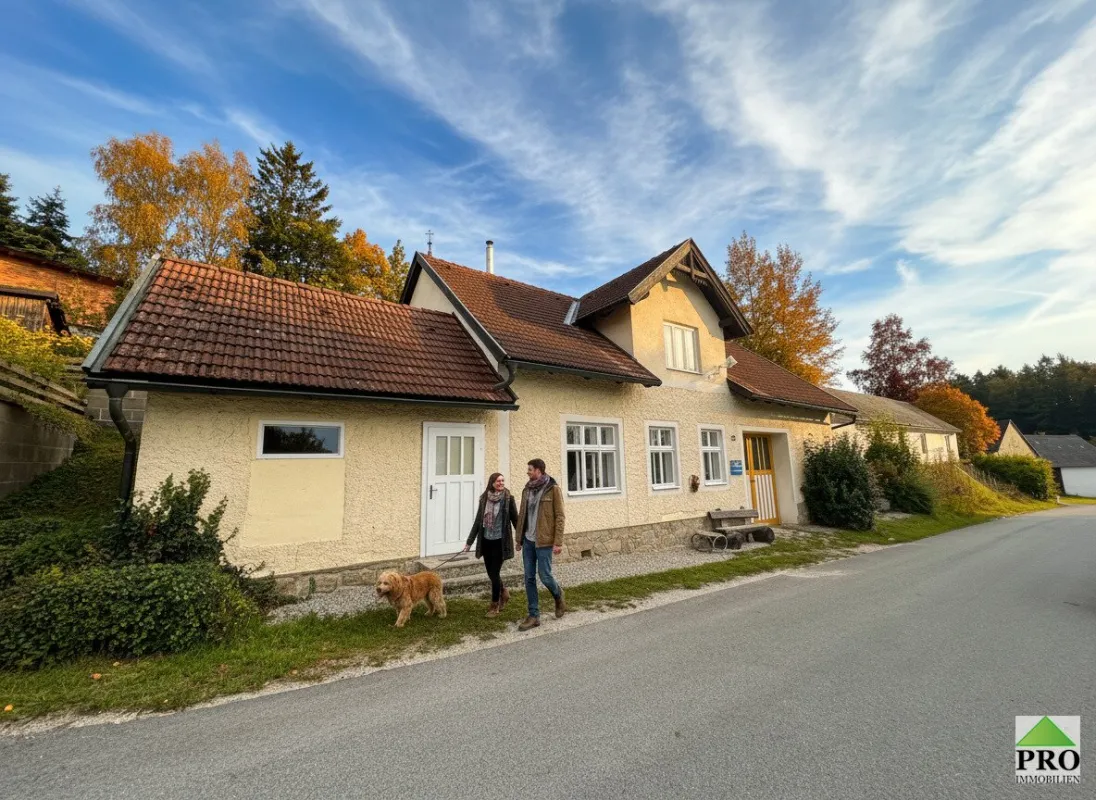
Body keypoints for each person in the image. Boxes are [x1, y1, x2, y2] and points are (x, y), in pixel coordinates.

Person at [514, 458, 565, 631]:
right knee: (529, 578)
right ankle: (534, 615)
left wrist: (558, 542)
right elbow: (522, 515)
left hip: (544, 541)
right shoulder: (527, 489)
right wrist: (519, 539)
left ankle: (558, 595)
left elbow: (560, 516)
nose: (527, 472)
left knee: (545, 576)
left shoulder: (553, 489)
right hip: (528, 541)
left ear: (539, 471)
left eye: (530, 469)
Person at [462, 472, 518, 617]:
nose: (501, 483)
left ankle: (494, 606)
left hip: (500, 542)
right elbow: (478, 522)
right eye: (498, 481)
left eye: (503, 481)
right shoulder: (484, 498)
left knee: (494, 573)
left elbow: (515, 520)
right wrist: (469, 542)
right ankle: (504, 592)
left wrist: (521, 539)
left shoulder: (508, 499)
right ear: (492, 482)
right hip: (486, 541)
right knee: (491, 573)